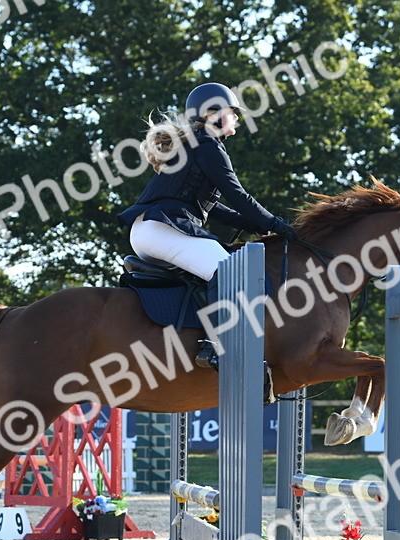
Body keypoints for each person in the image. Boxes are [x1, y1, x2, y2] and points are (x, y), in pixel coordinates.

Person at [117, 82, 299, 371]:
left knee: (217, 268)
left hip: (149, 231)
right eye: (232, 111)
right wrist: (275, 224)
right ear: (212, 113)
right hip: (162, 230)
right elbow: (238, 196)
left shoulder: (195, 145)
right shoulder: (208, 147)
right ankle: (214, 346)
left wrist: (250, 224)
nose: (236, 117)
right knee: (236, 274)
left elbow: (210, 206)